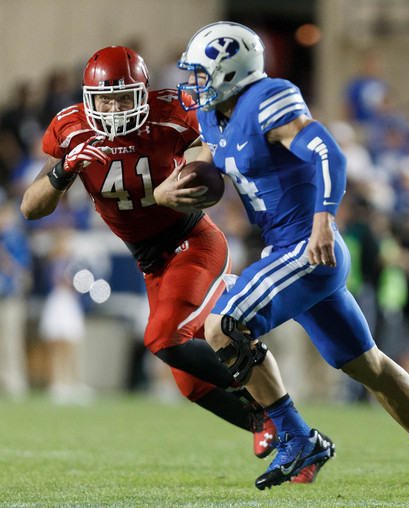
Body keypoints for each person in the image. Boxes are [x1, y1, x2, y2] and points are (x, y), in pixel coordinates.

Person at [162, 21, 409, 494]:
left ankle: (296, 437)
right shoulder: (212, 116)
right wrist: (167, 191)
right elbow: (204, 164)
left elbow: (330, 154)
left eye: (201, 74)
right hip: (287, 253)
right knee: (368, 366)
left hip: (307, 247)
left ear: (231, 71)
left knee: (224, 325)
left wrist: (323, 220)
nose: (193, 83)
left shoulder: (268, 98)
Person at [19, 45, 293, 472]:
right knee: (189, 384)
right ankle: (273, 423)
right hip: (151, 262)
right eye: (105, 99)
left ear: (143, 94)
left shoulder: (170, 112)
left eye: (123, 98)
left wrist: (196, 173)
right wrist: (64, 169)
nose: (113, 109)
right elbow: (30, 208)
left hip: (192, 240)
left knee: (164, 338)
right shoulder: (71, 129)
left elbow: (217, 140)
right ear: (88, 99)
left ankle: (277, 404)